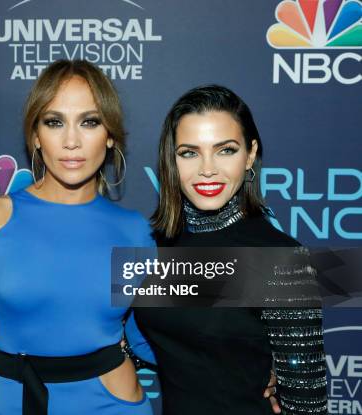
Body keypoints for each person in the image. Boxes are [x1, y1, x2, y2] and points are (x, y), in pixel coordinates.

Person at [0, 59, 155, 414]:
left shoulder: (135, 230)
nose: (71, 141)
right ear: (36, 136)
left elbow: (149, 338)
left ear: (110, 134)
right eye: (55, 122)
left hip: (116, 404)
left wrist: (242, 367)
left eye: (89, 121)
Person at [133, 85, 327, 414]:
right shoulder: (158, 243)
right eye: (189, 152)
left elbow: (307, 404)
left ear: (250, 154)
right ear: (172, 159)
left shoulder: (281, 259)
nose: (208, 168)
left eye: (225, 150)